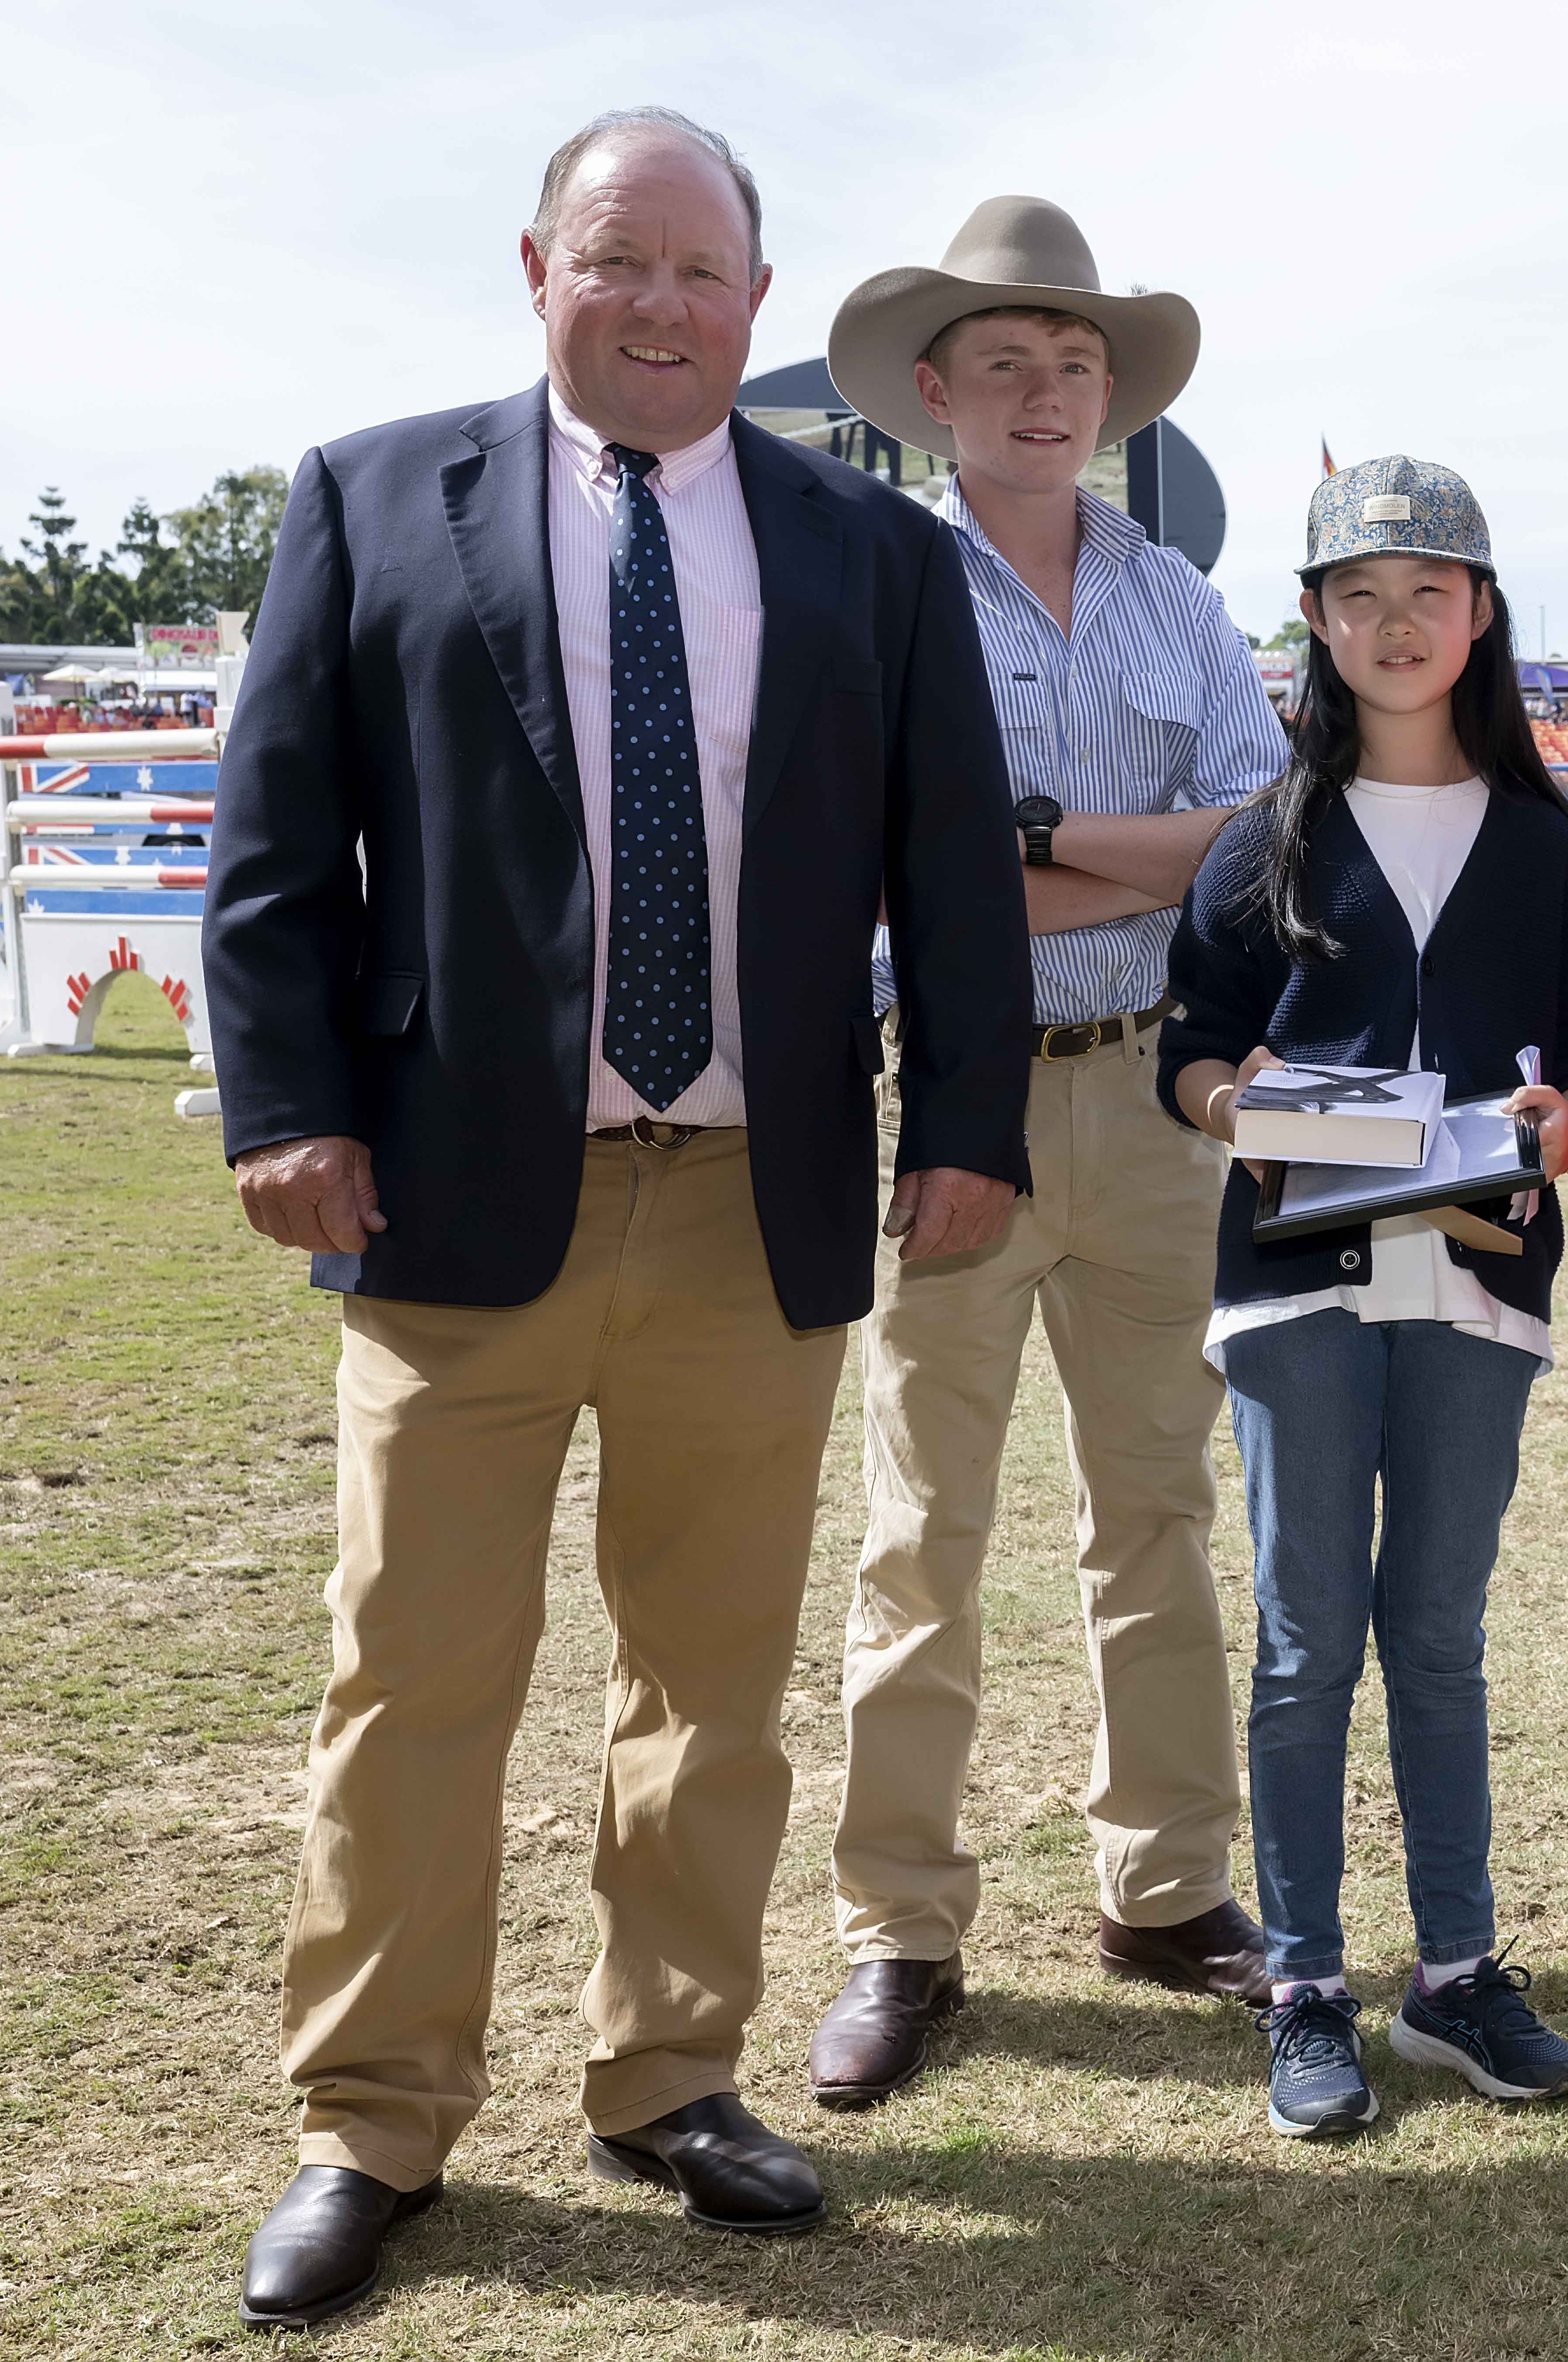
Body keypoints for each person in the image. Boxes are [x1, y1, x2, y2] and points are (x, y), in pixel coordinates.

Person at [201, 109, 1031, 2327]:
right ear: (539, 271)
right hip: (457, 1207)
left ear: (758, 302)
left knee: (712, 1684)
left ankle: (668, 2075)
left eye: (698, 272)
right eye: (615, 260)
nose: (657, 305)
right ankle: (370, 2118)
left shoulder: (868, 551)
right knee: (413, 1685)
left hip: (749, 1208)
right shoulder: (374, 498)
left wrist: (970, 1125)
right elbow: (276, 848)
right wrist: (280, 1107)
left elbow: (951, 878)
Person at [801, 196, 1292, 2107]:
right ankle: (899, 1928)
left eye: (1070, 363)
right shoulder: (875, 585)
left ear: (1110, 394)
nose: (1041, 392)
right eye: (1002, 362)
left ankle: (1163, 1887)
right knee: (924, 1528)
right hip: (962, 1092)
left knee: (1155, 1511)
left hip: (1162, 1093)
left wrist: (1004, 846)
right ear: (934, 395)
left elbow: (1262, 839)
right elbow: (859, 857)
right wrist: (1107, 846)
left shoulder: (1173, 593)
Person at [1159, 457, 1568, 2139]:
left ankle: (1452, 1974)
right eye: (1358, 594)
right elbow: (1189, 1054)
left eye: (1430, 590)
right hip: (1296, 1283)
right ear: (1313, 624)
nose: (1396, 622)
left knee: (1435, 1632)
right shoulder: (1260, 842)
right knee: (1306, 1642)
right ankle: (1305, 1981)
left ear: (1483, 614)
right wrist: (1246, 1106)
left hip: (1480, 1277)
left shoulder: (1550, 849)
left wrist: (1567, 1122)